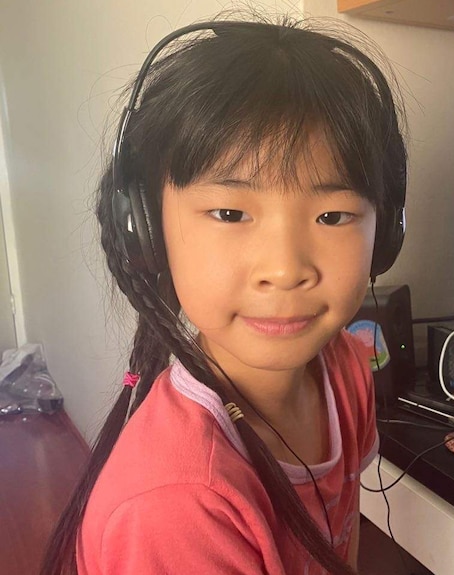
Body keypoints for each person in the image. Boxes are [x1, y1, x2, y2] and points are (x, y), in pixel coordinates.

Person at [40, 15, 407, 575]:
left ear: (387, 233)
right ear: (147, 233)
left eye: (333, 215)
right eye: (230, 213)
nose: (285, 270)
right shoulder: (174, 505)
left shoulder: (347, 370)